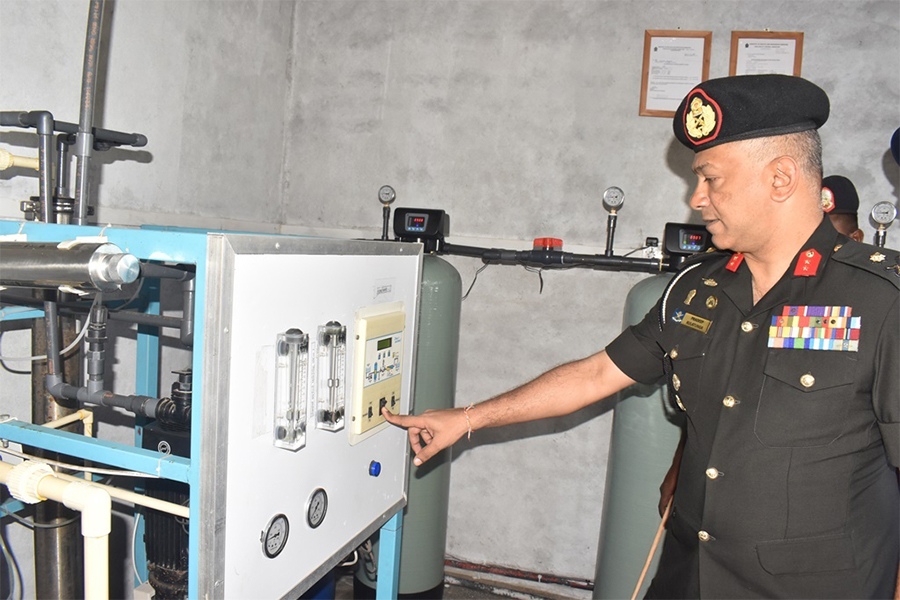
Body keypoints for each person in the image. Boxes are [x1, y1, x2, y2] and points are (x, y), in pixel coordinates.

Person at [383, 74, 900, 598]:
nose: (697, 199)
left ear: (781, 178)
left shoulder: (883, 300)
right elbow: (597, 374)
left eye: (710, 178)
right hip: (689, 575)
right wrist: (468, 418)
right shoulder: (699, 288)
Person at [657, 171, 868, 517]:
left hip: (816, 518)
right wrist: (680, 468)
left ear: (855, 239)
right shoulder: (755, 297)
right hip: (727, 506)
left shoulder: (874, 305)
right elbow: (713, 402)